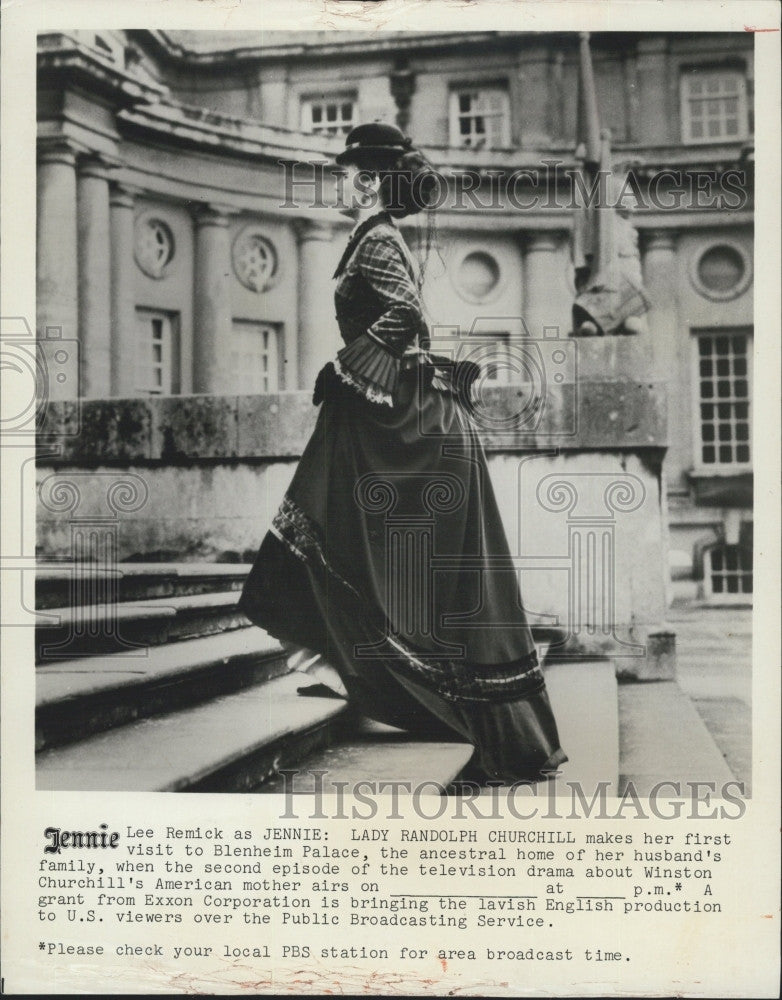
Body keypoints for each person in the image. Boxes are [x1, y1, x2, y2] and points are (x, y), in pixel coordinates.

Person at [239, 123, 567, 783]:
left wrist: (349, 366)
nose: (338, 183)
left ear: (365, 179)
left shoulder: (380, 237)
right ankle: (345, 670)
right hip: (386, 412)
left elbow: (406, 316)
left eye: (344, 173)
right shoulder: (370, 235)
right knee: (323, 528)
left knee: (343, 532)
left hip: (404, 418)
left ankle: (403, 691)